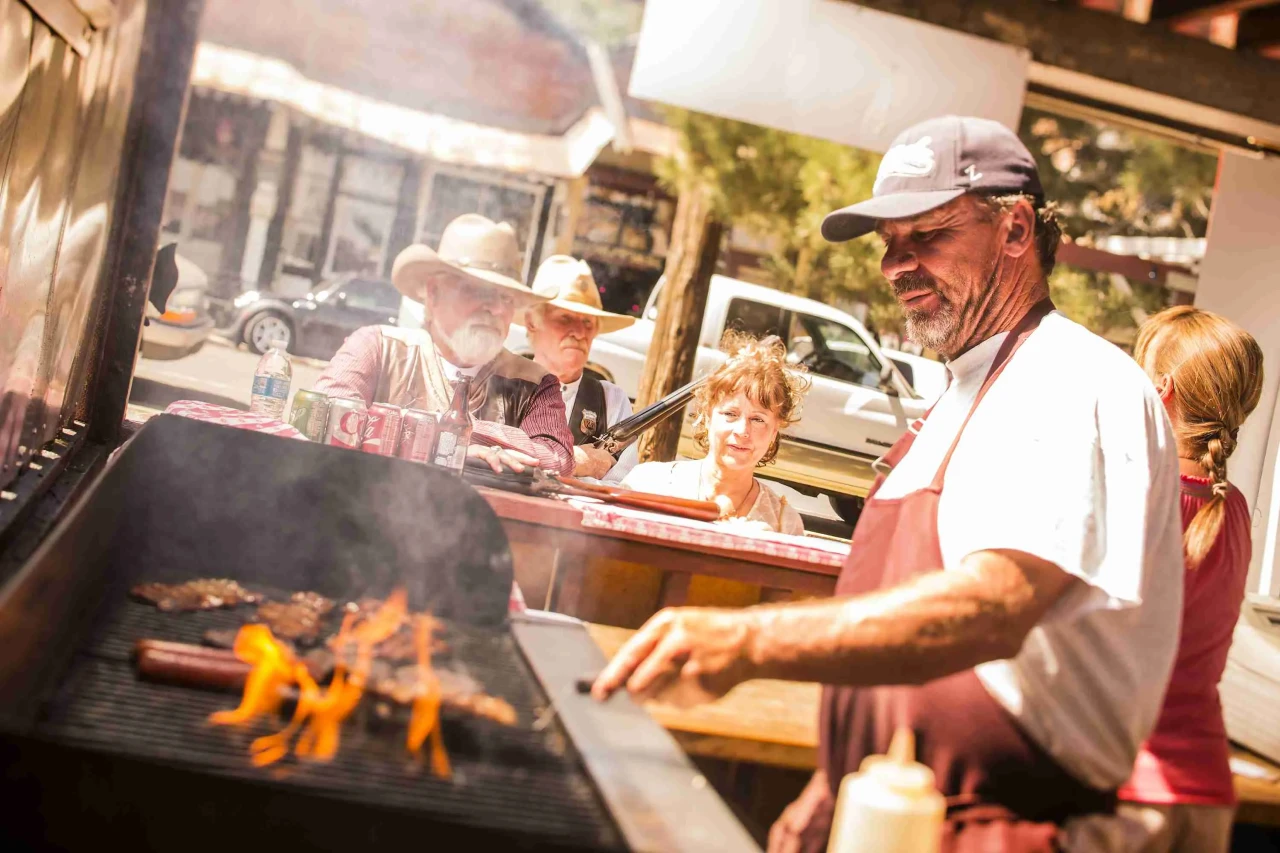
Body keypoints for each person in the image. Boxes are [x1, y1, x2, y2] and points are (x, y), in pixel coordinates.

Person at [591, 115, 1185, 853]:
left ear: (1016, 229)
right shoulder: (955, 396)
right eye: (888, 245)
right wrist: (831, 781)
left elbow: (994, 606)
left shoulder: (1075, 383)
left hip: (1001, 828)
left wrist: (747, 638)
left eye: (927, 236)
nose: (896, 266)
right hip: (889, 807)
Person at [1118, 307, 1264, 853]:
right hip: (1206, 793)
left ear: (1163, 389)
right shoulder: (1237, 511)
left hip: (1127, 787)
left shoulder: (1136, 491)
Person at [315, 214, 574, 475]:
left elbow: (557, 459)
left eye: (506, 298)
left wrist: (453, 434)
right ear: (433, 292)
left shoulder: (535, 382)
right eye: (478, 290)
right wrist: (444, 441)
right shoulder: (376, 348)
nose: (496, 308)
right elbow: (324, 418)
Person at [620, 333, 809, 536]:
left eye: (758, 419)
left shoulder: (783, 525)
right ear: (708, 416)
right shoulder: (649, 485)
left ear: (775, 430)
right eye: (730, 414)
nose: (742, 431)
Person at [523, 255, 639, 483]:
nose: (579, 332)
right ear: (532, 322)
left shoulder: (611, 401)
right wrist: (578, 464)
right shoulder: (502, 384)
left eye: (587, 322)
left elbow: (620, 486)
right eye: (565, 318)